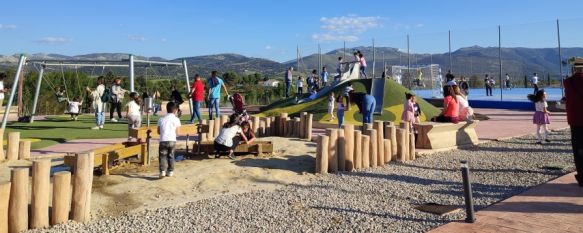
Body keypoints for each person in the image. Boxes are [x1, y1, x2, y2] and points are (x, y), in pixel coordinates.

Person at [563, 60, 583, 186]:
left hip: (575, 120)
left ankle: (581, 176)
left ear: (574, 69)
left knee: (578, 149)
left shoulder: (568, 82)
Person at [157, 101, 181, 178]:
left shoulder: (161, 119)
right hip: (172, 140)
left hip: (163, 140)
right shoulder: (176, 119)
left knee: (162, 156)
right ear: (175, 110)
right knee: (171, 156)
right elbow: (177, 133)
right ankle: (170, 171)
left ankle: (162, 171)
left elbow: (158, 132)